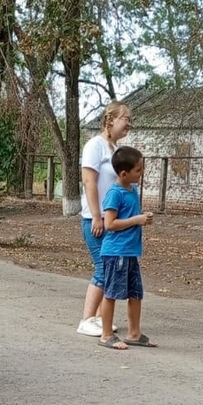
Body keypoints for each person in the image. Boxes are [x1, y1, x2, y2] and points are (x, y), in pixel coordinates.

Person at [76, 102, 133, 337]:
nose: (129, 124)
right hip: (95, 220)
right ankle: (87, 319)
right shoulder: (95, 146)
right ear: (110, 119)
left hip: (112, 220)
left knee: (111, 268)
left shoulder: (114, 149)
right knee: (103, 267)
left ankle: (101, 318)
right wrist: (96, 216)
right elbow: (89, 182)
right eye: (126, 119)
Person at [97, 146, 157, 350]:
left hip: (130, 252)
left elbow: (130, 216)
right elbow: (109, 224)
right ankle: (106, 334)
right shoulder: (115, 193)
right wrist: (136, 220)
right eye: (138, 170)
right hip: (116, 252)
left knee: (136, 293)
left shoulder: (132, 190)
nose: (142, 173)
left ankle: (134, 333)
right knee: (111, 293)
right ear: (124, 174)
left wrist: (143, 218)